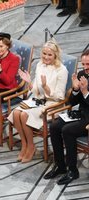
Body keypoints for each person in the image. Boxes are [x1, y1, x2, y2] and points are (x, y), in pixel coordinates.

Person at [7, 40, 68, 163]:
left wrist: (46, 87)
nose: (46, 57)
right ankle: (25, 144)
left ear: (55, 55)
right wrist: (29, 82)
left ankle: (31, 146)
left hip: (53, 105)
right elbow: (35, 91)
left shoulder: (62, 70)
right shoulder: (40, 65)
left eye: (49, 55)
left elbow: (60, 97)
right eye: (44, 54)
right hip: (38, 101)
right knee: (16, 113)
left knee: (24, 115)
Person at [44, 49, 89, 185]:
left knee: (67, 130)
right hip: (81, 114)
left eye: (88, 64)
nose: (85, 68)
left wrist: (85, 92)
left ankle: (72, 170)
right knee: (54, 126)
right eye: (83, 64)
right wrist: (75, 90)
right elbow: (72, 103)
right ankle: (60, 166)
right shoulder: (82, 74)